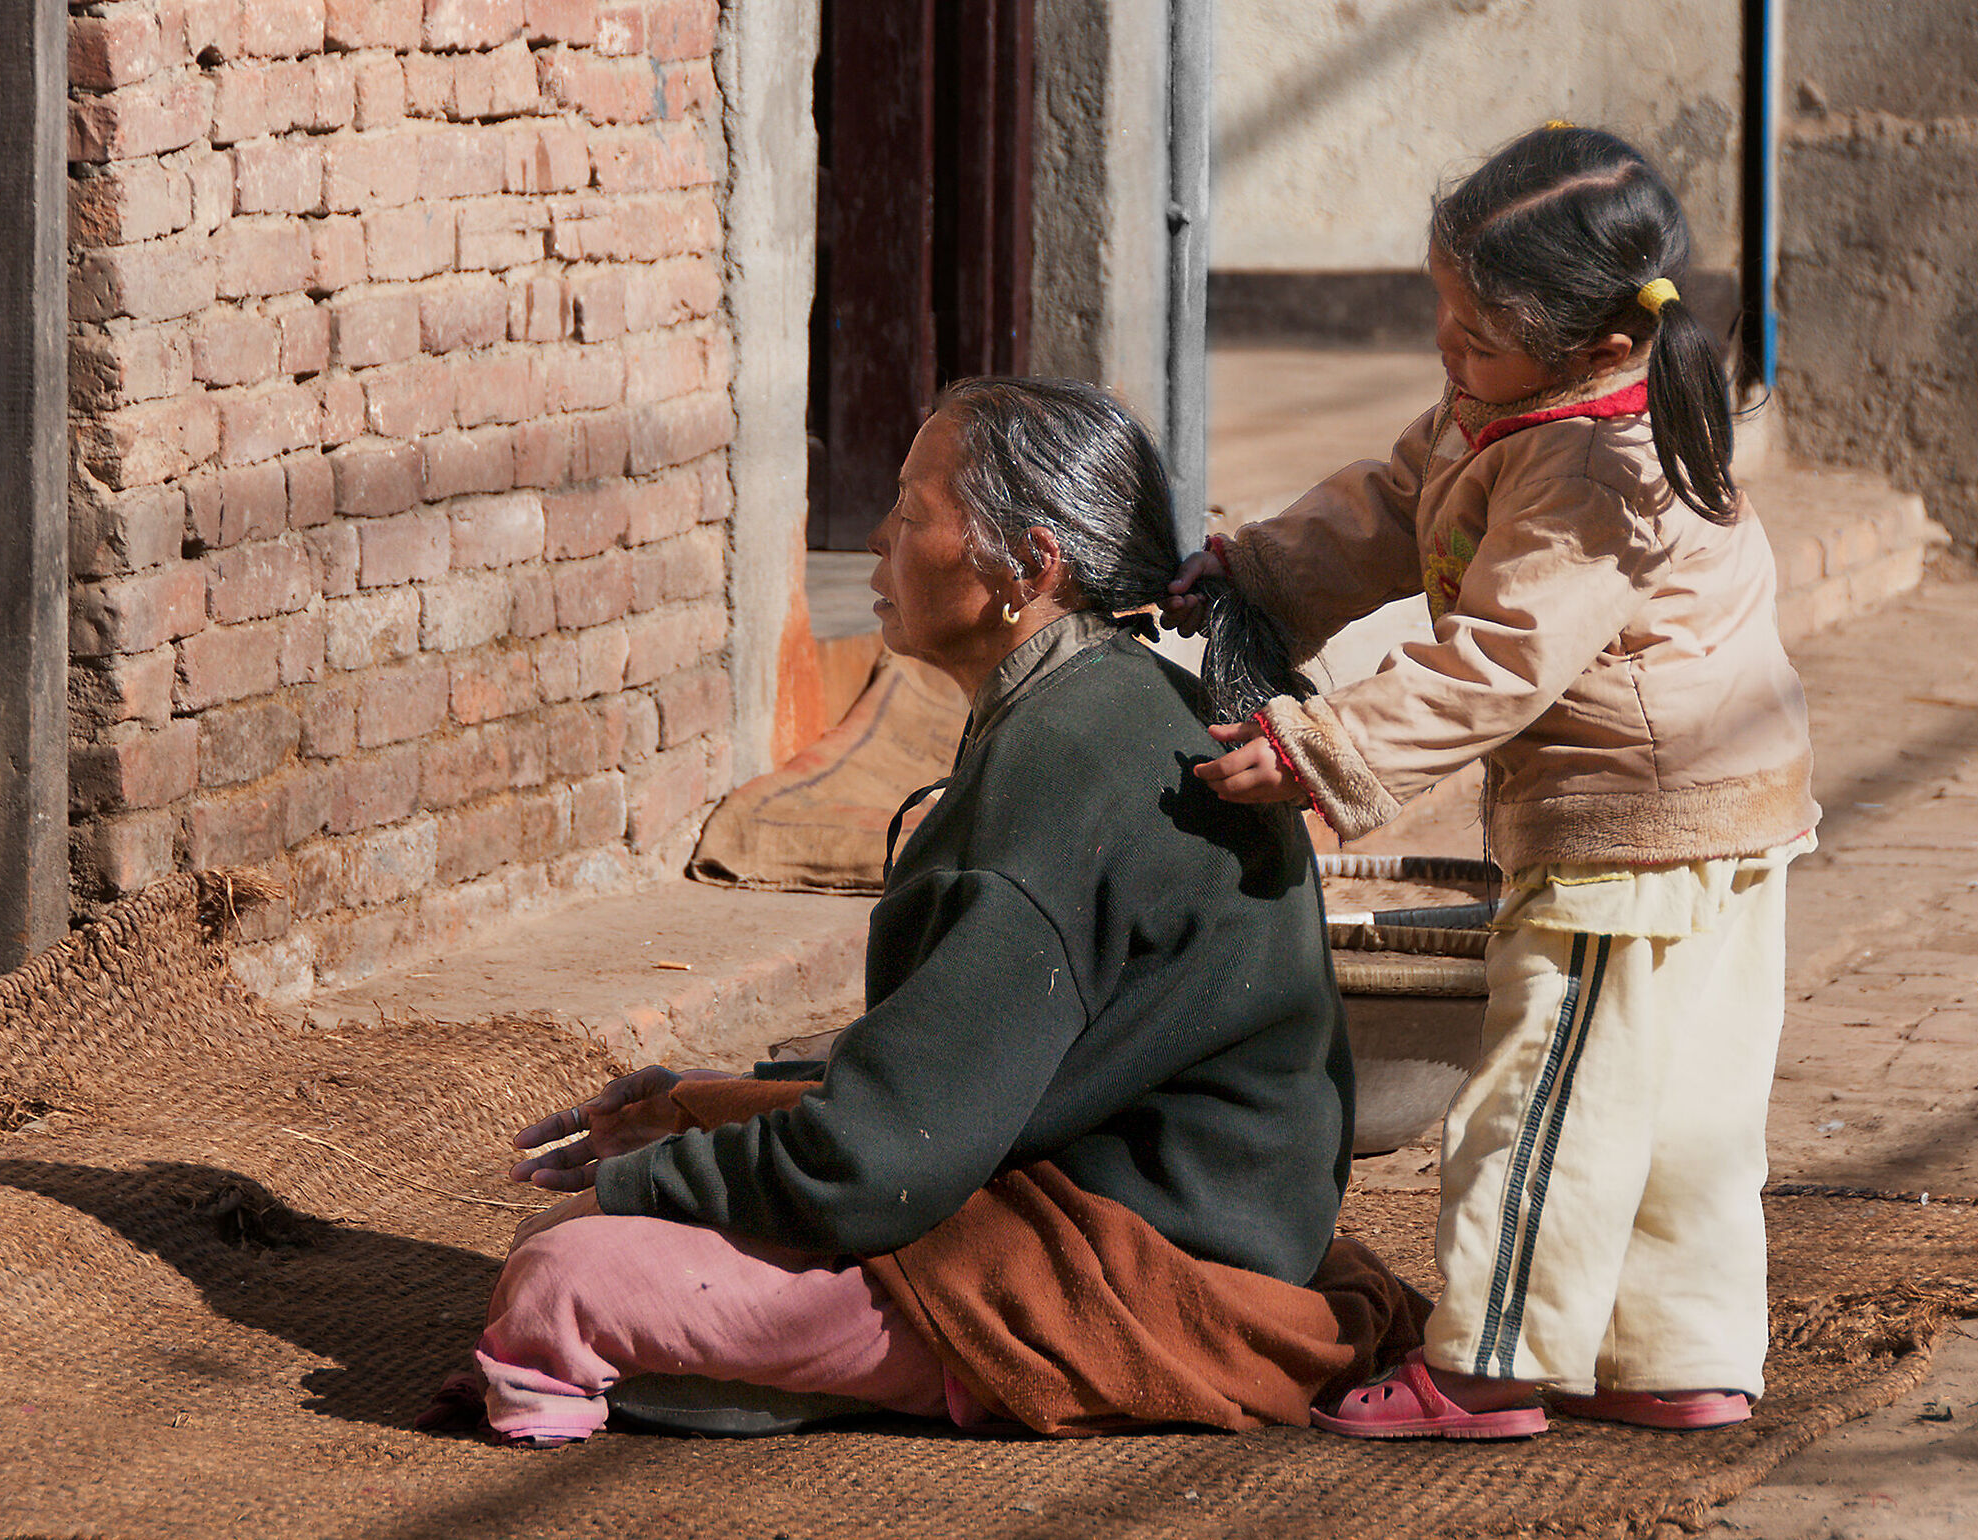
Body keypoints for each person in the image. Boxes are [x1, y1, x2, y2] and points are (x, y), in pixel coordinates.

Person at [449, 376, 1420, 1447]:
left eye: (913, 512)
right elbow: (965, 1076)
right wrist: (707, 1105)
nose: (877, 538)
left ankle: (938, 1365)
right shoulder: (1105, 704)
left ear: (1028, 565)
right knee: (604, 1244)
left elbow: (886, 1158)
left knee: (563, 1274)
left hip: (1137, 1264)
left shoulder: (1068, 759)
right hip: (1182, 1211)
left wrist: (651, 1180)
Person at [1164, 125, 1818, 1440]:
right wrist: (1253, 568)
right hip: (1728, 805)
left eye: (1475, 334)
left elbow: (1497, 660)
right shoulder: (1510, 409)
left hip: (1630, 836)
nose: (1448, 356)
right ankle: (1673, 1352)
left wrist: (1322, 747)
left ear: (1596, 345)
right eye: (1444, 320)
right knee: (1680, 1102)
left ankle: (1489, 1361)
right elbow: (1395, 503)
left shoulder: (1593, 469)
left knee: (1547, 1097)